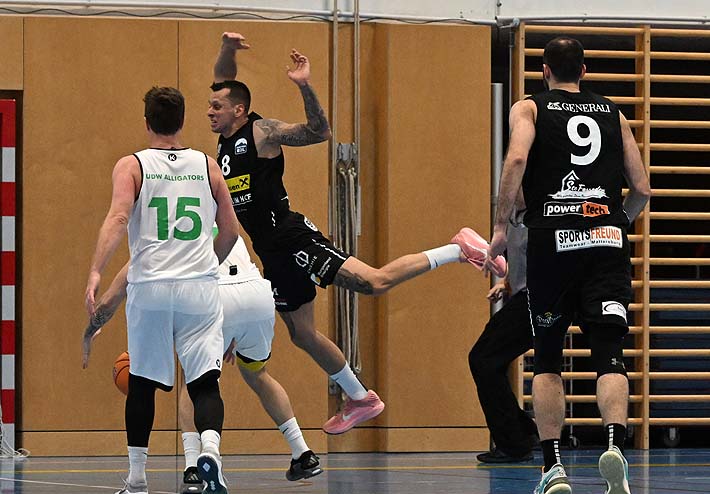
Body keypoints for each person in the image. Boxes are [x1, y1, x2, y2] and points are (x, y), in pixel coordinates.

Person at [209, 32, 506, 434]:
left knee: (374, 282)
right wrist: (227, 49)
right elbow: (224, 80)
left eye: (217, 106)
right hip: (271, 251)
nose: (209, 111)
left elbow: (319, 132)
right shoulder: (225, 140)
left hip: (292, 238)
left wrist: (305, 86)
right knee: (302, 334)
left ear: (239, 110)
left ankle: (458, 248)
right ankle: (360, 398)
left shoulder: (262, 132)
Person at [486, 37, 650, 494]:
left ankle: (552, 465)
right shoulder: (613, 113)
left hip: (553, 241)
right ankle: (616, 445)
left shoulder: (530, 108)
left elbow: (517, 160)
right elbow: (642, 188)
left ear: (544, 71)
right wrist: (615, 222)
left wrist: (500, 226)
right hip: (606, 241)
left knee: (548, 360)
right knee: (610, 353)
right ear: (584, 70)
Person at [84, 86, 239, 494]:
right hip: (199, 288)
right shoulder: (208, 166)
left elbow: (119, 216)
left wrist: (97, 270)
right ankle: (210, 451)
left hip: (150, 287)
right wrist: (204, 264)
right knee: (205, 382)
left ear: (147, 122)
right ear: (182, 121)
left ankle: (137, 482)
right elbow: (230, 231)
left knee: (142, 385)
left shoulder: (132, 165)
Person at [84, 235, 324, 492]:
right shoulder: (217, 216)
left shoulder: (167, 231)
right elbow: (231, 236)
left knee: (195, 378)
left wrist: (93, 324)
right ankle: (302, 452)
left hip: (217, 290)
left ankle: (193, 468)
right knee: (257, 373)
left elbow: (126, 279)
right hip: (256, 293)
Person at [470, 213, 539, 464]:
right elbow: (520, 259)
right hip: (522, 297)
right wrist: (507, 283)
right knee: (486, 361)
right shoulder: (512, 219)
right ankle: (523, 433)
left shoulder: (541, 215)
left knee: (483, 359)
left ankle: (515, 442)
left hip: (539, 300)